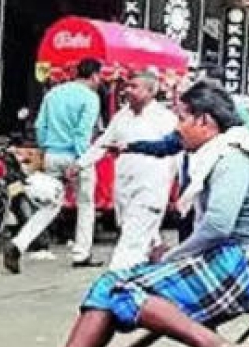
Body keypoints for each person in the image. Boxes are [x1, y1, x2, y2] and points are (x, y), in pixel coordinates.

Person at [0, 80, 249, 347]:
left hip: (248, 261)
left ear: (205, 121)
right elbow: (164, 148)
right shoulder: (206, 150)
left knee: (125, 291)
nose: (177, 126)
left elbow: (218, 225)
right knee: (106, 286)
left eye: (183, 118)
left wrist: (174, 256)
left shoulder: (232, 157)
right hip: (221, 256)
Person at [5, 58, 103, 273]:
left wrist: (46, 148)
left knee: (50, 205)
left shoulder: (53, 93)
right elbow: (83, 132)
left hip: (52, 155)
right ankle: (81, 254)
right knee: (86, 204)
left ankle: (18, 244)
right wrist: (80, 161)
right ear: (95, 75)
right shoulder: (90, 98)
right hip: (76, 157)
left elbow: (40, 125)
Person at [72, 71, 178, 270]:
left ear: (151, 91)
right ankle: (156, 261)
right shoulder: (121, 117)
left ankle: (117, 276)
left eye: (134, 87)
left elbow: (175, 155)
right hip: (124, 186)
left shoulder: (166, 119)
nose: (128, 90)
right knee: (136, 232)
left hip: (151, 187)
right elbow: (103, 144)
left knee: (130, 243)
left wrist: (170, 187)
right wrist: (80, 164)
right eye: (127, 86)